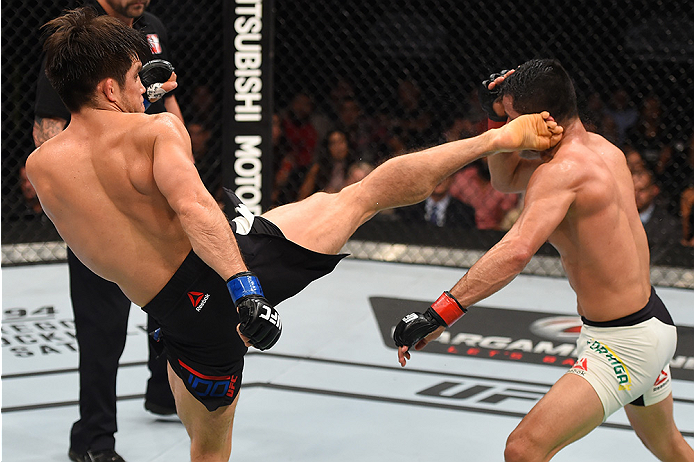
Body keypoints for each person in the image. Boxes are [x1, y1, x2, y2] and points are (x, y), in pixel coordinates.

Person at [26, 9, 563, 460]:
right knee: (361, 195)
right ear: (107, 86)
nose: (140, 84)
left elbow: (114, 222)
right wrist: (244, 288)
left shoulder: (43, 168)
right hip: (228, 273)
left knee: (208, 452)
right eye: (132, 76)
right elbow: (190, 202)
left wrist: (146, 105)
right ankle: (497, 139)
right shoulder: (155, 130)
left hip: (175, 316)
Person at [393, 59, 694, 461]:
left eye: (516, 119)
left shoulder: (561, 173)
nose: (513, 129)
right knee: (670, 448)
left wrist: (439, 313)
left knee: (524, 449)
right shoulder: (603, 149)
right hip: (649, 321)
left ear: (543, 119)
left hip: (625, 345)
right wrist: (495, 118)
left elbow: (516, 250)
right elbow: (505, 178)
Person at [31, 2, 181, 461]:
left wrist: (180, 160)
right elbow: (49, 130)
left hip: (151, 185)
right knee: (103, 325)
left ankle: (164, 391)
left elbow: (165, 103)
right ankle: (95, 440)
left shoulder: (151, 28)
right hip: (104, 198)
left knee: (177, 297)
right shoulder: (80, 42)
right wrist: (86, 202)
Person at [632, 168, 681, 265]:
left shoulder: (669, 225)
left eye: (642, 190)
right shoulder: (616, 220)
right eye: (633, 190)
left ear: (654, 190)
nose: (636, 195)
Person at [396, 174, 476, 228]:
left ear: (452, 179)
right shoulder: (410, 208)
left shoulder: (464, 212)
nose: (439, 181)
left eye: (444, 176)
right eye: (435, 176)